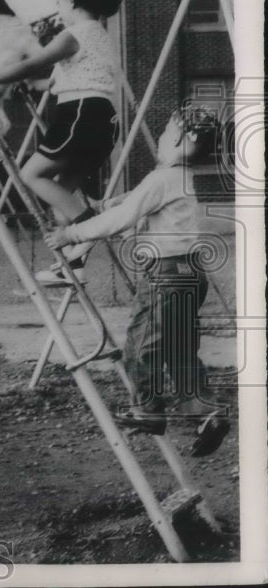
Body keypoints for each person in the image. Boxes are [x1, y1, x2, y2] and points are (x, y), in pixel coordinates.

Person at [44, 103, 229, 457]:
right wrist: (104, 203)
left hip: (166, 275)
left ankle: (147, 408)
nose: (158, 139)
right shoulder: (180, 177)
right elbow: (134, 201)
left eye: (164, 133)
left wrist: (73, 234)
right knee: (180, 351)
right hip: (190, 273)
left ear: (182, 139)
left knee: (141, 342)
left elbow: (127, 216)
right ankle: (206, 414)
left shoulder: (162, 177)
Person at [0, 0, 122, 284]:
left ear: (73, 2)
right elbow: (50, 81)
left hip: (80, 114)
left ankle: (88, 228)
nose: (58, 10)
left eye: (59, 3)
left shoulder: (73, 35)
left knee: (31, 174)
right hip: (101, 119)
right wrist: (29, 89)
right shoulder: (99, 37)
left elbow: (33, 64)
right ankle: (72, 267)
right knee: (61, 194)